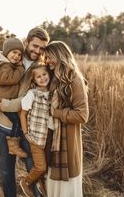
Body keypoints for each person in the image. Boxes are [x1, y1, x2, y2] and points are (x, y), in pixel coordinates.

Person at [0, 27, 50, 197]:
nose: (37, 51)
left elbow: (25, 101)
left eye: (42, 48)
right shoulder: (10, 59)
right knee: (7, 170)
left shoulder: (42, 69)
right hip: (4, 125)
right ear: (27, 42)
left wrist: (4, 105)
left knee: (34, 168)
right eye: (35, 46)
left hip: (28, 129)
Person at [44, 41, 89, 197]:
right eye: (46, 57)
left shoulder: (75, 80)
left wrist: (57, 113)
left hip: (67, 143)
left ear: (60, 56)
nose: (47, 61)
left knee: (67, 187)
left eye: (49, 57)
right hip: (51, 140)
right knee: (52, 183)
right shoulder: (51, 78)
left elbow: (82, 115)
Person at [19, 63, 57, 197]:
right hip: (35, 137)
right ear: (34, 80)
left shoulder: (53, 93)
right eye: (38, 77)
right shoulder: (32, 94)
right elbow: (22, 114)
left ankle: (41, 185)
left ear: (49, 74)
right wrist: (25, 133)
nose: (42, 78)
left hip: (50, 136)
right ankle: (25, 181)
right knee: (41, 167)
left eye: (44, 74)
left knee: (48, 167)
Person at [0, 37, 27, 158]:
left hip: (3, 101)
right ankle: (13, 146)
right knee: (15, 121)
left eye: (20, 54)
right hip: (4, 101)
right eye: (14, 52)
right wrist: (21, 68)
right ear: (6, 52)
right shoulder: (5, 66)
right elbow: (10, 79)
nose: (17, 56)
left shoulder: (6, 64)